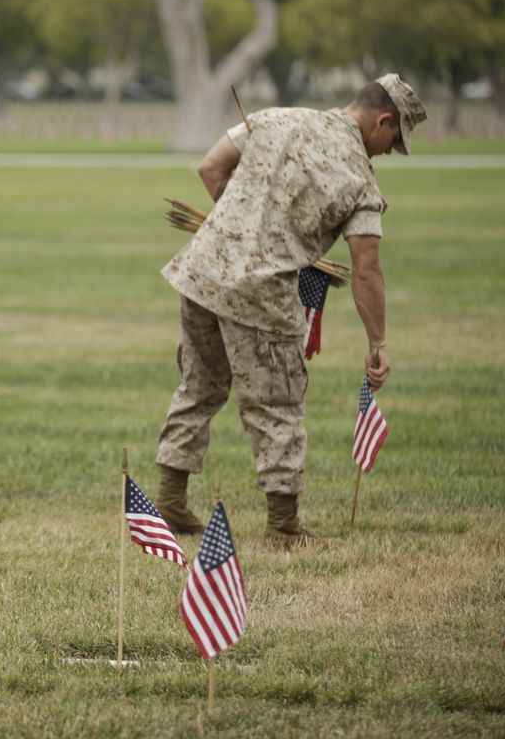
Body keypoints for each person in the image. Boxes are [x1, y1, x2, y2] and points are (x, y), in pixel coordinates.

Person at [153, 74, 426, 547]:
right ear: (383, 120)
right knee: (277, 404)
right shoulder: (360, 180)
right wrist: (378, 343)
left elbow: (209, 167)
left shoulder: (275, 117)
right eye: (394, 140)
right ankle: (283, 526)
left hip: (201, 270)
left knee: (198, 387)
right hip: (260, 291)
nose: (388, 151)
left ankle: (170, 503)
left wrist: (239, 231)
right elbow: (366, 269)